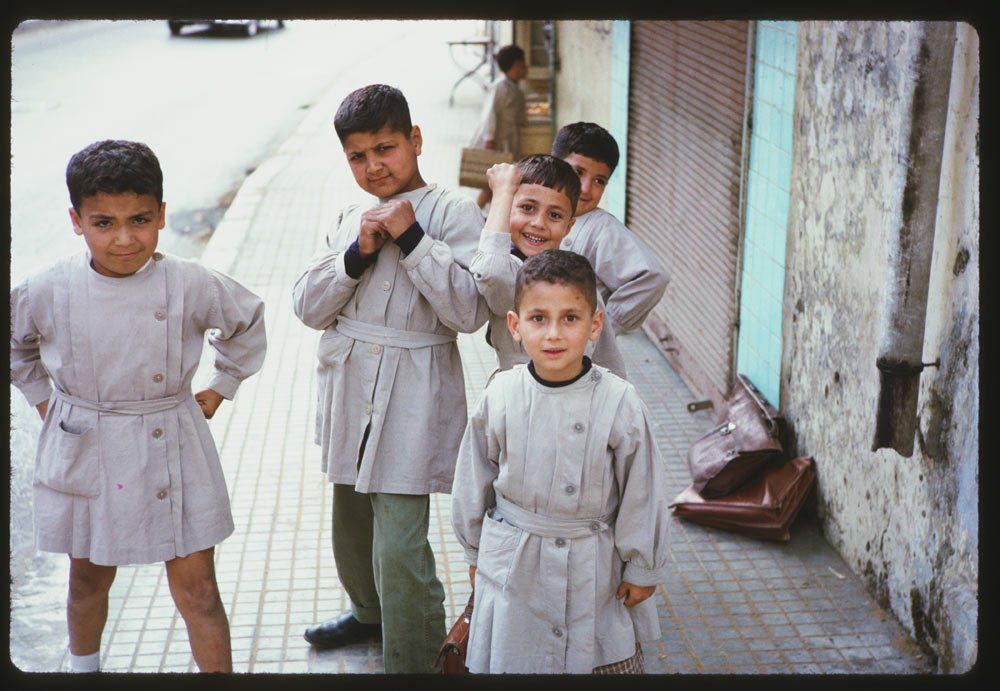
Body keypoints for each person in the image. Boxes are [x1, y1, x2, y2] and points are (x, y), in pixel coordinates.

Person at [9, 139, 267, 673]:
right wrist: (44, 402)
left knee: (199, 590)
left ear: (162, 216)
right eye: (104, 222)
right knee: (87, 580)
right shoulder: (48, 287)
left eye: (140, 220)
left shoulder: (189, 282)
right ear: (76, 221)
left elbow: (246, 322)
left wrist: (220, 386)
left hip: (172, 441)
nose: (125, 239)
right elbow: (16, 346)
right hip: (89, 446)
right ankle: (85, 670)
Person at [291, 84, 490, 673]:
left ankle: (415, 656)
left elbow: (469, 312)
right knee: (350, 522)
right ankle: (368, 612)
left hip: (413, 392)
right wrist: (355, 254)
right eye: (358, 156)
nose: (374, 166)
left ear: (416, 139)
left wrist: (411, 239)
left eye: (386, 148)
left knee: (399, 543)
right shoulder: (348, 217)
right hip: (350, 387)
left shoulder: (452, 213)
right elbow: (307, 307)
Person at [451, 249, 671, 674]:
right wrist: (475, 552)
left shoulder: (619, 400)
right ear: (515, 325)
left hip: (594, 567)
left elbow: (643, 489)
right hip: (516, 564)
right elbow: (473, 479)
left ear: (595, 325)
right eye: (538, 319)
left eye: (570, 318)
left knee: (594, 656)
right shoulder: (500, 395)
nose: (554, 334)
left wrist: (643, 566)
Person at [470, 154, 628, 379]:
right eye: (527, 208)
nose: (538, 223)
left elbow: (608, 360)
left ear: (568, 227)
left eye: (554, 215)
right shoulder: (509, 272)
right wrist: (503, 195)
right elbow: (492, 270)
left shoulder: (578, 281)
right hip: (518, 401)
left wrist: (503, 193)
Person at [551, 122, 669, 335]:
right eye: (578, 172)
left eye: (599, 180)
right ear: (555, 164)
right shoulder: (532, 215)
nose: (585, 188)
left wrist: (602, 329)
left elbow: (653, 277)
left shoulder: (601, 229)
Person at [469, 44, 528, 209]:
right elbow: (490, 114)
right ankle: (473, 214)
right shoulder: (500, 87)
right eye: (523, 64)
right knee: (489, 186)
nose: (526, 68)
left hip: (508, 141)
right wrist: (489, 139)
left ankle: (487, 215)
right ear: (516, 65)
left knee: (497, 184)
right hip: (497, 142)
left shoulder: (515, 88)